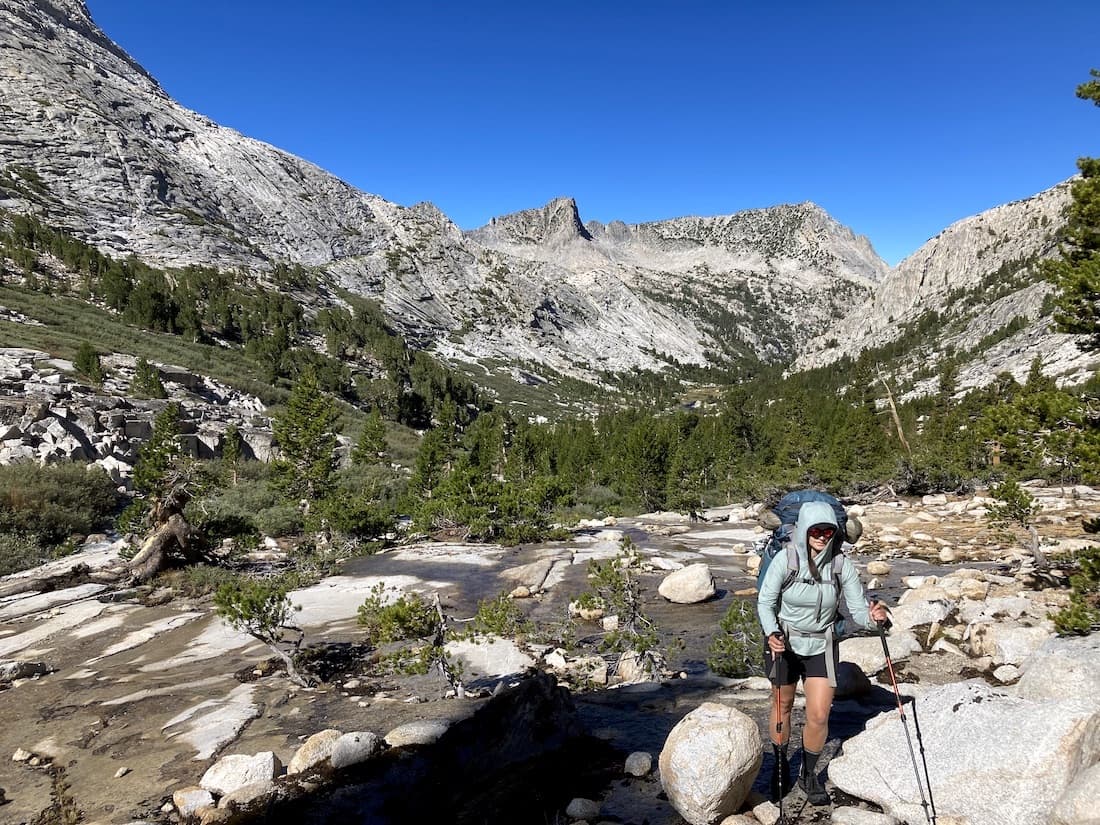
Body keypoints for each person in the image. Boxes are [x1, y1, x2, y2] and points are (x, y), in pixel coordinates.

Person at [756, 499, 889, 806]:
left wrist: (876, 619)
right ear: (804, 530)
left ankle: (809, 774)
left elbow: (858, 610)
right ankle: (780, 767)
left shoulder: (841, 564)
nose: (822, 536)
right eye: (816, 530)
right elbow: (765, 602)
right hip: (784, 642)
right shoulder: (786, 559)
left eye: (828, 531)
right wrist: (771, 632)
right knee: (783, 705)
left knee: (818, 714)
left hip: (822, 643)